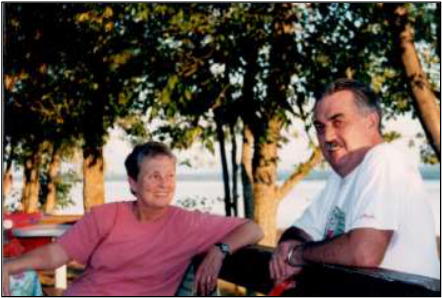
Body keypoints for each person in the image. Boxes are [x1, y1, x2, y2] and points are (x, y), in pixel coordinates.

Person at [3, 141, 263, 296]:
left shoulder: (188, 224)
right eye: (154, 176)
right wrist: (8, 266)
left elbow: (253, 228)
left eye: (170, 176)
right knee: (17, 282)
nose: (164, 184)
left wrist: (220, 250)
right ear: (133, 183)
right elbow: (57, 254)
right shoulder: (106, 216)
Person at [269, 78, 440, 286]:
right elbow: (300, 230)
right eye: (320, 127)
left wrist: (298, 255)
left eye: (338, 122)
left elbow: (363, 252)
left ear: (371, 121)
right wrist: (289, 245)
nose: (327, 136)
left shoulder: (385, 159)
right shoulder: (339, 178)